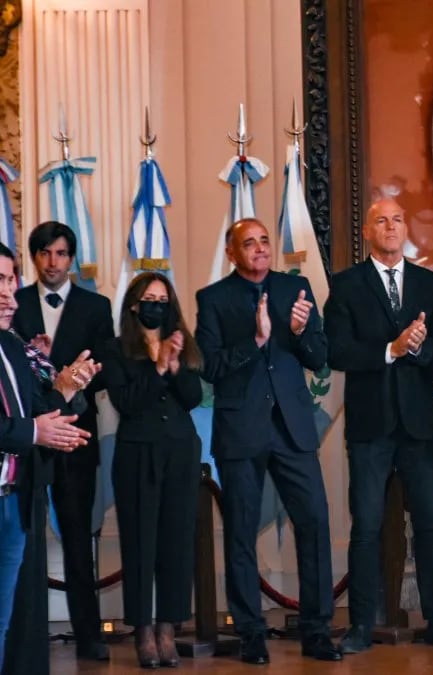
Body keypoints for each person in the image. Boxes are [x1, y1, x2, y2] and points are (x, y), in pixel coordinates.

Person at [195, 218, 341, 664]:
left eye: (264, 242)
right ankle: (251, 634)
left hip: (293, 427)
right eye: (249, 243)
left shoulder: (295, 290)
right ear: (232, 252)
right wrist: (256, 341)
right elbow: (210, 368)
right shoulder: (213, 299)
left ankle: (317, 631)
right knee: (240, 532)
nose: (260, 249)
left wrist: (298, 333)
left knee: (314, 523)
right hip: (242, 430)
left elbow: (319, 358)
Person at [324, 198, 433, 653]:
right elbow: (337, 352)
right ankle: (363, 624)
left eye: (398, 219)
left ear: (407, 228)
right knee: (366, 527)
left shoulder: (430, 285)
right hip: (369, 427)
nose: (390, 226)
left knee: (428, 524)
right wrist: (392, 348)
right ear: (367, 231)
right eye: (381, 219)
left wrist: (420, 349)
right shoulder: (345, 285)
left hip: (418, 426)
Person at [10, 221, 114, 661]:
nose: (53, 262)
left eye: (61, 254)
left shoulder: (96, 305)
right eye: (45, 253)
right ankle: (22, 635)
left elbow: (106, 359)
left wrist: (74, 374)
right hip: (28, 434)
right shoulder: (12, 302)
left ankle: (90, 634)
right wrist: (32, 355)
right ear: (34, 258)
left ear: (72, 258)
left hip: (75, 431)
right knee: (25, 538)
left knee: (77, 537)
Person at [102, 272, 203, 667]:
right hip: (137, 452)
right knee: (141, 541)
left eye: (163, 299)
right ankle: (142, 630)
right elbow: (126, 402)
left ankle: (168, 628)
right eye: (149, 299)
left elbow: (193, 398)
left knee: (177, 541)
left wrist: (175, 366)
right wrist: (157, 368)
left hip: (180, 450)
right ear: (133, 305)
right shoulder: (115, 349)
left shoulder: (183, 342)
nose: (156, 305)